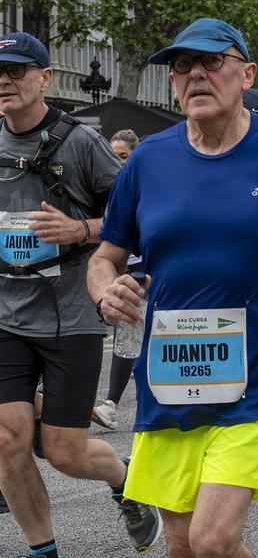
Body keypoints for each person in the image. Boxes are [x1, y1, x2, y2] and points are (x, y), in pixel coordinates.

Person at [87, 18, 258, 558]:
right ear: (172, 83)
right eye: (182, 66)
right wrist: (105, 292)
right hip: (169, 378)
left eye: (212, 62)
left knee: (213, 540)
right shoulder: (147, 159)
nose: (196, 75)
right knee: (183, 545)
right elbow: (105, 256)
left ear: (246, 74)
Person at [0, 32, 161, 558]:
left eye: (17, 70)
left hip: (72, 314)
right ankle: (41, 548)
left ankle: (124, 477)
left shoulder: (80, 142)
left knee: (65, 452)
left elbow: (131, 222)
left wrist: (79, 231)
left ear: (45, 78)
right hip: (6, 314)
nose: (4, 80)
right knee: (8, 438)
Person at [92, 130, 141, 430]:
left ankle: (111, 403)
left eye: (123, 157)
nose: (117, 163)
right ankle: (106, 402)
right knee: (119, 331)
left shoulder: (143, 183)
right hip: (110, 271)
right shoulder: (103, 188)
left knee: (129, 330)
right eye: (113, 157)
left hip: (143, 268)